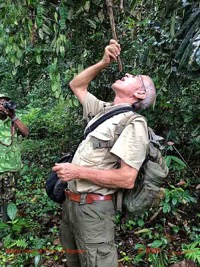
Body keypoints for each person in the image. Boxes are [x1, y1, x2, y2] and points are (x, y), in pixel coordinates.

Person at [52, 39, 156, 267]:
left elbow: (127, 179)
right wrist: (104, 62)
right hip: (71, 206)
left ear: (139, 93)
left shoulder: (134, 123)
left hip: (94, 210)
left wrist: (76, 171)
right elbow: (76, 85)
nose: (126, 73)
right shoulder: (104, 112)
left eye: (133, 77)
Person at [0, 94, 29, 222]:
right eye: (1, 103)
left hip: (10, 168)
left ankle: (7, 226)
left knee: (9, 198)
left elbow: (26, 132)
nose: (4, 105)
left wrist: (13, 116)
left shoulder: (13, 120)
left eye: (6, 102)